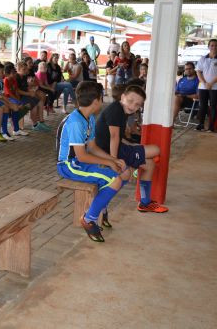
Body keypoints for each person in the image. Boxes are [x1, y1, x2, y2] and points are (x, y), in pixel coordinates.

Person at [56, 81, 129, 243]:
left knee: (124, 172)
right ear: (96, 100)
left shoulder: (88, 119)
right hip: (68, 166)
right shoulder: (76, 121)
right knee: (114, 179)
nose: (102, 102)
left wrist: (113, 159)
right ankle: (89, 218)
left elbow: (93, 147)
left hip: (79, 163)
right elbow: (82, 156)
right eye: (102, 98)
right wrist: (109, 163)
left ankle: (100, 208)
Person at [94, 84, 168, 221]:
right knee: (156, 150)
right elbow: (114, 138)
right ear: (122, 97)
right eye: (130, 101)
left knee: (150, 164)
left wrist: (132, 144)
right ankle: (133, 166)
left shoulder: (122, 111)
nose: (133, 106)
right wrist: (113, 161)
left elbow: (118, 137)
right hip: (107, 151)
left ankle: (145, 203)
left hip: (115, 148)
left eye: (137, 104)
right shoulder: (116, 110)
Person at [196, 39, 217, 132]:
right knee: (202, 105)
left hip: (215, 86)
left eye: (216, 45)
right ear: (208, 47)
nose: (214, 47)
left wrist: (211, 83)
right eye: (212, 45)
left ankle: (211, 126)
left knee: (213, 106)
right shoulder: (203, 58)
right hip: (203, 86)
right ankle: (200, 125)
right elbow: (198, 72)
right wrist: (205, 83)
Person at [0, 62, 19, 140]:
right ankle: (1, 132)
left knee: (10, 106)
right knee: (4, 108)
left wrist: (8, 102)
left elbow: (2, 94)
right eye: (2, 72)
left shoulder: (1, 80)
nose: (3, 74)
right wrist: (5, 101)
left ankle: (6, 131)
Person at [16, 62, 49, 132]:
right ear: (18, 69)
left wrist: (31, 91)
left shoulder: (24, 76)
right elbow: (17, 90)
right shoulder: (17, 77)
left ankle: (39, 122)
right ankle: (35, 124)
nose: (26, 71)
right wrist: (28, 93)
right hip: (20, 97)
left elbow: (26, 87)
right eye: (24, 69)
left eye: (26, 69)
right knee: (34, 105)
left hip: (25, 95)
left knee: (39, 102)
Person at [2, 63, 28, 137]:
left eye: (15, 72)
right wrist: (18, 101)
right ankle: (12, 129)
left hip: (13, 98)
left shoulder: (13, 80)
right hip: (7, 98)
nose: (14, 74)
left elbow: (16, 91)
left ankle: (16, 129)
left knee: (21, 106)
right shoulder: (6, 80)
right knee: (16, 107)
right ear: (7, 74)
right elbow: (9, 93)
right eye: (13, 73)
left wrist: (19, 100)